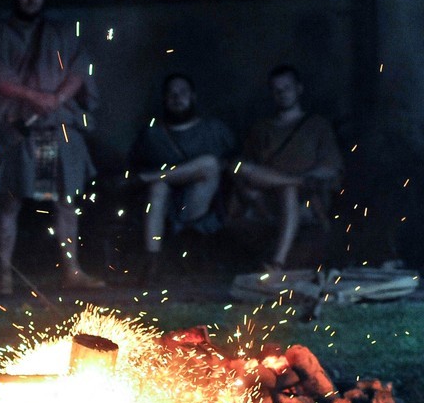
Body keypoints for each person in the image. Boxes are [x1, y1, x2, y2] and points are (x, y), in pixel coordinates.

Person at [0, 0, 105, 295]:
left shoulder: (61, 32)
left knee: (66, 201)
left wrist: (57, 98)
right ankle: (3, 274)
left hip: (58, 126)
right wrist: (32, 96)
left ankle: (71, 270)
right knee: (9, 201)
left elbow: (79, 68)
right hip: (19, 128)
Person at [231, 64, 343, 270]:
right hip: (265, 198)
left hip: (305, 198)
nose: (282, 93)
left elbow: (331, 168)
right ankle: (291, 182)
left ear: (299, 89)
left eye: (287, 88)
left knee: (288, 190)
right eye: (277, 89)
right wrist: (248, 191)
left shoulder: (317, 125)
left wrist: (304, 180)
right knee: (237, 166)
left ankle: (277, 262)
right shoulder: (261, 128)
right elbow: (244, 168)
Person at [130, 73, 236, 284]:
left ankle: (151, 178)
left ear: (193, 96)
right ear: (164, 98)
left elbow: (233, 164)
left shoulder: (213, 129)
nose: (177, 98)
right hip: (163, 209)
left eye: (183, 93)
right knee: (158, 186)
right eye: (172, 94)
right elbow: (133, 166)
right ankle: (153, 263)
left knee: (209, 163)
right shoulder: (153, 134)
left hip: (199, 205)